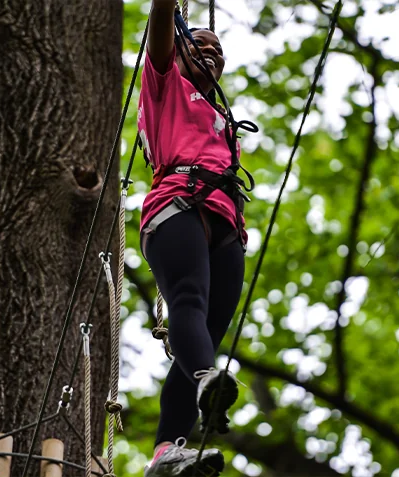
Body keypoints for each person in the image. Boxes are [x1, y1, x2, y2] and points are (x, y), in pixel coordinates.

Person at [138, 1, 255, 476]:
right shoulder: (164, 84)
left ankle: (167, 451)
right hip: (177, 204)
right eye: (199, 44)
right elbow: (162, 18)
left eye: (219, 51)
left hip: (226, 223)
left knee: (204, 336)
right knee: (188, 300)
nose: (210, 53)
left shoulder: (223, 119)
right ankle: (207, 380)